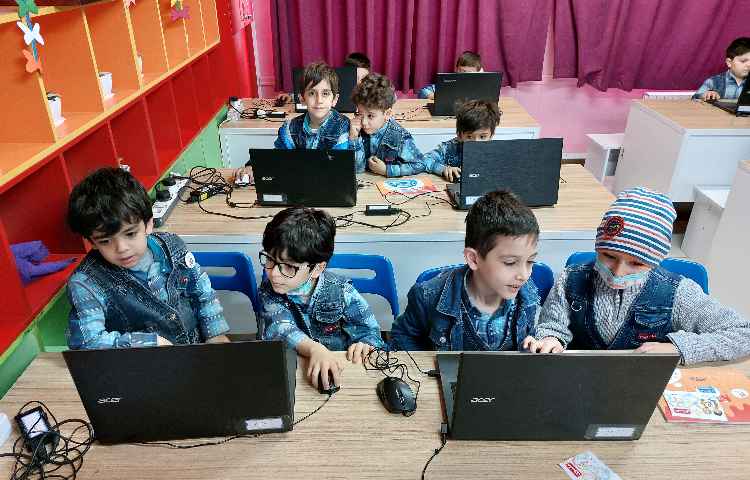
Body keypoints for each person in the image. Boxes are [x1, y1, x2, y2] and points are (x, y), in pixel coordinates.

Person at [525, 187, 750, 365]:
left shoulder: (678, 293)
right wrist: (550, 338)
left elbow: (743, 334)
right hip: (579, 378)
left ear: (655, 261)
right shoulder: (569, 279)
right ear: (597, 247)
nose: (618, 272)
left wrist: (679, 347)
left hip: (645, 384)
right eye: (608, 256)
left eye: (636, 263)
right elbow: (552, 325)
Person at [66, 168, 230, 349]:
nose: (122, 249)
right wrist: (146, 343)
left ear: (149, 223)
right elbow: (87, 342)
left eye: (130, 234)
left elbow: (202, 293)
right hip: (141, 364)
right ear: (92, 242)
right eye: (105, 241)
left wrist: (216, 334)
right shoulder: (86, 283)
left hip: (195, 351)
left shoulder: (173, 246)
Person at [390, 190, 541, 351]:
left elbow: (531, 336)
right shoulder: (428, 296)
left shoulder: (528, 293)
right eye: (510, 263)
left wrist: (536, 342)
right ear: (473, 259)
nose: (524, 275)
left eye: (530, 261)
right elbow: (402, 336)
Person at [258, 207, 384, 390]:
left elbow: (370, 331)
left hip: (340, 372)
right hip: (293, 373)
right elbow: (280, 329)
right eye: (270, 259)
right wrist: (315, 349)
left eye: (289, 267)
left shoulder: (342, 292)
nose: (274, 273)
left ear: (317, 268)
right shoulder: (268, 291)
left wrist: (366, 344)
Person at [349, 73, 423, 175]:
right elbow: (358, 169)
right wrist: (354, 139)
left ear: (387, 114)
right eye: (360, 114)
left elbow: (419, 164)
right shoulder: (355, 130)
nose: (364, 122)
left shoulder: (400, 136)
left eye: (370, 116)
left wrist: (387, 170)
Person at [421, 99, 502, 182]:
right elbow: (423, 160)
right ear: (459, 135)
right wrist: (443, 169)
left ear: (491, 135)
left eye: (482, 137)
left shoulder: (497, 152)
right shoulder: (450, 148)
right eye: (469, 137)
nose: (476, 142)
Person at [418, 50, 483, 100]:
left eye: (469, 73)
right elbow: (423, 91)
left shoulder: (480, 85)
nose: (465, 76)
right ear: (456, 70)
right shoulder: (451, 82)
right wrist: (433, 96)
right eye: (462, 71)